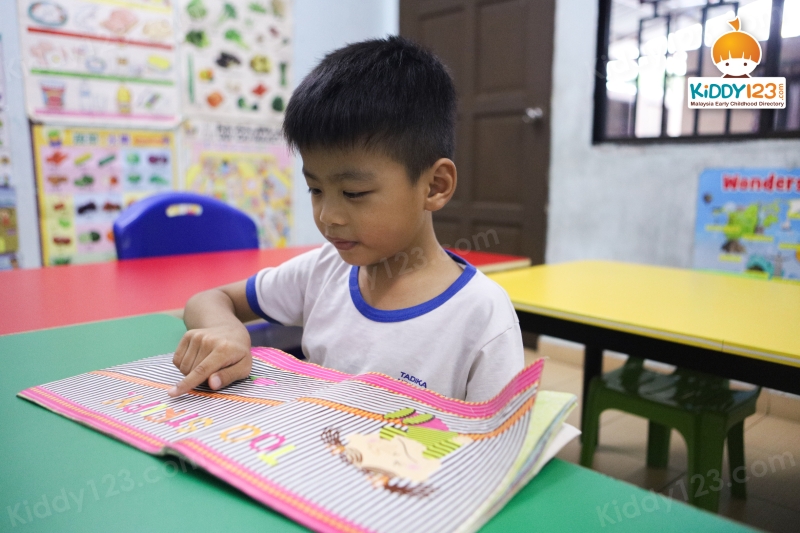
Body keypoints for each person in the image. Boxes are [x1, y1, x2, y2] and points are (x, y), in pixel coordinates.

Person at [168, 36, 524, 402]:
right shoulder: (322, 273)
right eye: (315, 190)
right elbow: (208, 299)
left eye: (353, 193)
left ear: (434, 186)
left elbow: (497, 445)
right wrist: (227, 332)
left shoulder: (481, 314)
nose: (327, 216)